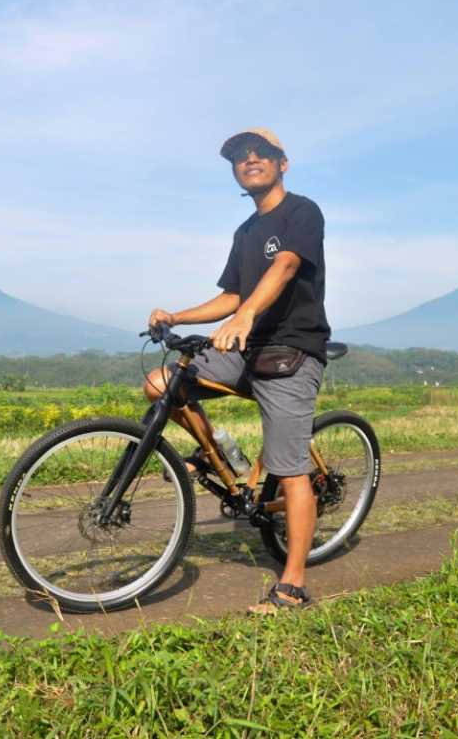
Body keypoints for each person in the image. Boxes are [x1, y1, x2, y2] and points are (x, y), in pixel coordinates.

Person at [144, 127, 330, 614]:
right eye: (239, 158)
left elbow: (287, 266)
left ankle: (292, 582)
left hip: (291, 351)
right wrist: (178, 315)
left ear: (282, 163)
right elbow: (231, 295)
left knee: (291, 470)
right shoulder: (244, 232)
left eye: (261, 154)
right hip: (246, 351)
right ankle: (221, 452)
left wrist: (246, 315)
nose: (249, 160)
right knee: (162, 383)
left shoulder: (301, 213)